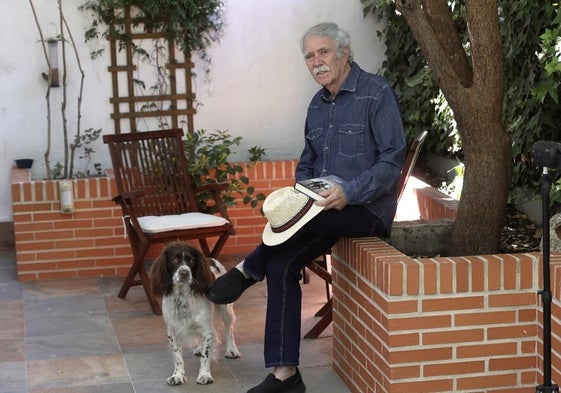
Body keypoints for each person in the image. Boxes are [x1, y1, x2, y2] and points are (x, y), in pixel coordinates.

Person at [207, 21, 406, 393]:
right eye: (309, 56)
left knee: (297, 234)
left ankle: (250, 267)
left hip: (366, 209)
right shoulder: (317, 104)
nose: (316, 61)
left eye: (324, 52)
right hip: (322, 214)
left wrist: (350, 191)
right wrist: (306, 191)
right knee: (281, 265)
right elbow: (307, 164)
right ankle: (286, 375)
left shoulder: (375, 92)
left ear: (344, 53)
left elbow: (392, 161)